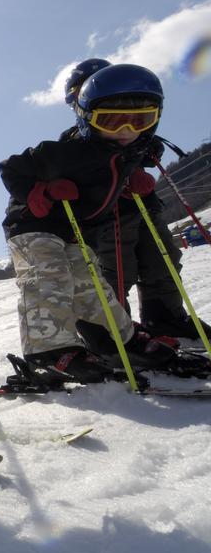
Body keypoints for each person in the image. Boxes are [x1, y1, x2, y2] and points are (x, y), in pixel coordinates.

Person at [0, 63, 193, 382]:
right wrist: (38, 189)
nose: (126, 130)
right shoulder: (67, 151)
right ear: (87, 117)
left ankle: (124, 338)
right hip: (33, 225)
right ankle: (46, 351)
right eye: (111, 121)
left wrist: (134, 177)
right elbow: (12, 167)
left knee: (93, 287)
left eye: (141, 120)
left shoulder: (126, 152)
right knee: (49, 277)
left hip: (75, 232)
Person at [63, 59, 211, 345]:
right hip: (108, 214)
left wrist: (146, 151)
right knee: (116, 269)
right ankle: (109, 332)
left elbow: (137, 145)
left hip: (142, 204)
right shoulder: (77, 139)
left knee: (163, 258)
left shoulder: (128, 131)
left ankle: (164, 317)